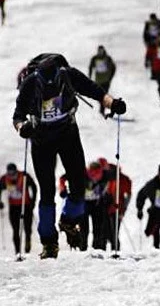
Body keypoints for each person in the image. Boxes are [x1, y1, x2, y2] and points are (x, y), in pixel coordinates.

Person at [12, 53, 127, 259]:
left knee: (79, 184)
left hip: (67, 135)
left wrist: (113, 104)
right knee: (46, 191)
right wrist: (23, 128)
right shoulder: (30, 84)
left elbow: (96, 91)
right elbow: (18, 116)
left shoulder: (68, 75)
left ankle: (68, 220)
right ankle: (49, 243)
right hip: (41, 139)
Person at [0, 163, 37, 254]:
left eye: (14, 173)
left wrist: (33, 201)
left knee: (27, 228)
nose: (12, 176)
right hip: (14, 207)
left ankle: (27, 245)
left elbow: (34, 187)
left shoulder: (24, 176)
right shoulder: (4, 179)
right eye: (10, 174)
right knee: (16, 230)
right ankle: (17, 251)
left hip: (26, 206)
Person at [101, 163, 132, 251]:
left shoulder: (123, 179)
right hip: (105, 208)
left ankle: (115, 251)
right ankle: (102, 251)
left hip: (117, 210)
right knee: (103, 232)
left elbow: (128, 195)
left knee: (114, 234)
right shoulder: (106, 177)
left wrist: (123, 210)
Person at [88, 45, 117, 117]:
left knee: (103, 95)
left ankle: (102, 110)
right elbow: (90, 67)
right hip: (98, 81)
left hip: (106, 81)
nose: (100, 52)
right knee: (99, 96)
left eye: (101, 51)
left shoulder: (107, 58)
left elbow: (113, 67)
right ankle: (104, 107)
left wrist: (110, 77)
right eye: (99, 51)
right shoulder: (94, 58)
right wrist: (89, 76)